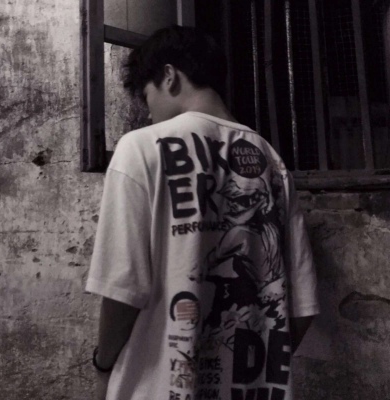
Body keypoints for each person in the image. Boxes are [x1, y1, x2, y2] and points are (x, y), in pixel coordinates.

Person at [85, 25, 319, 400]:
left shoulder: (140, 148)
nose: (149, 113)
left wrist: (103, 365)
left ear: (169, 75)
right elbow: (303, 307)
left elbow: (122, 291)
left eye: (146, 97)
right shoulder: (272, 162)